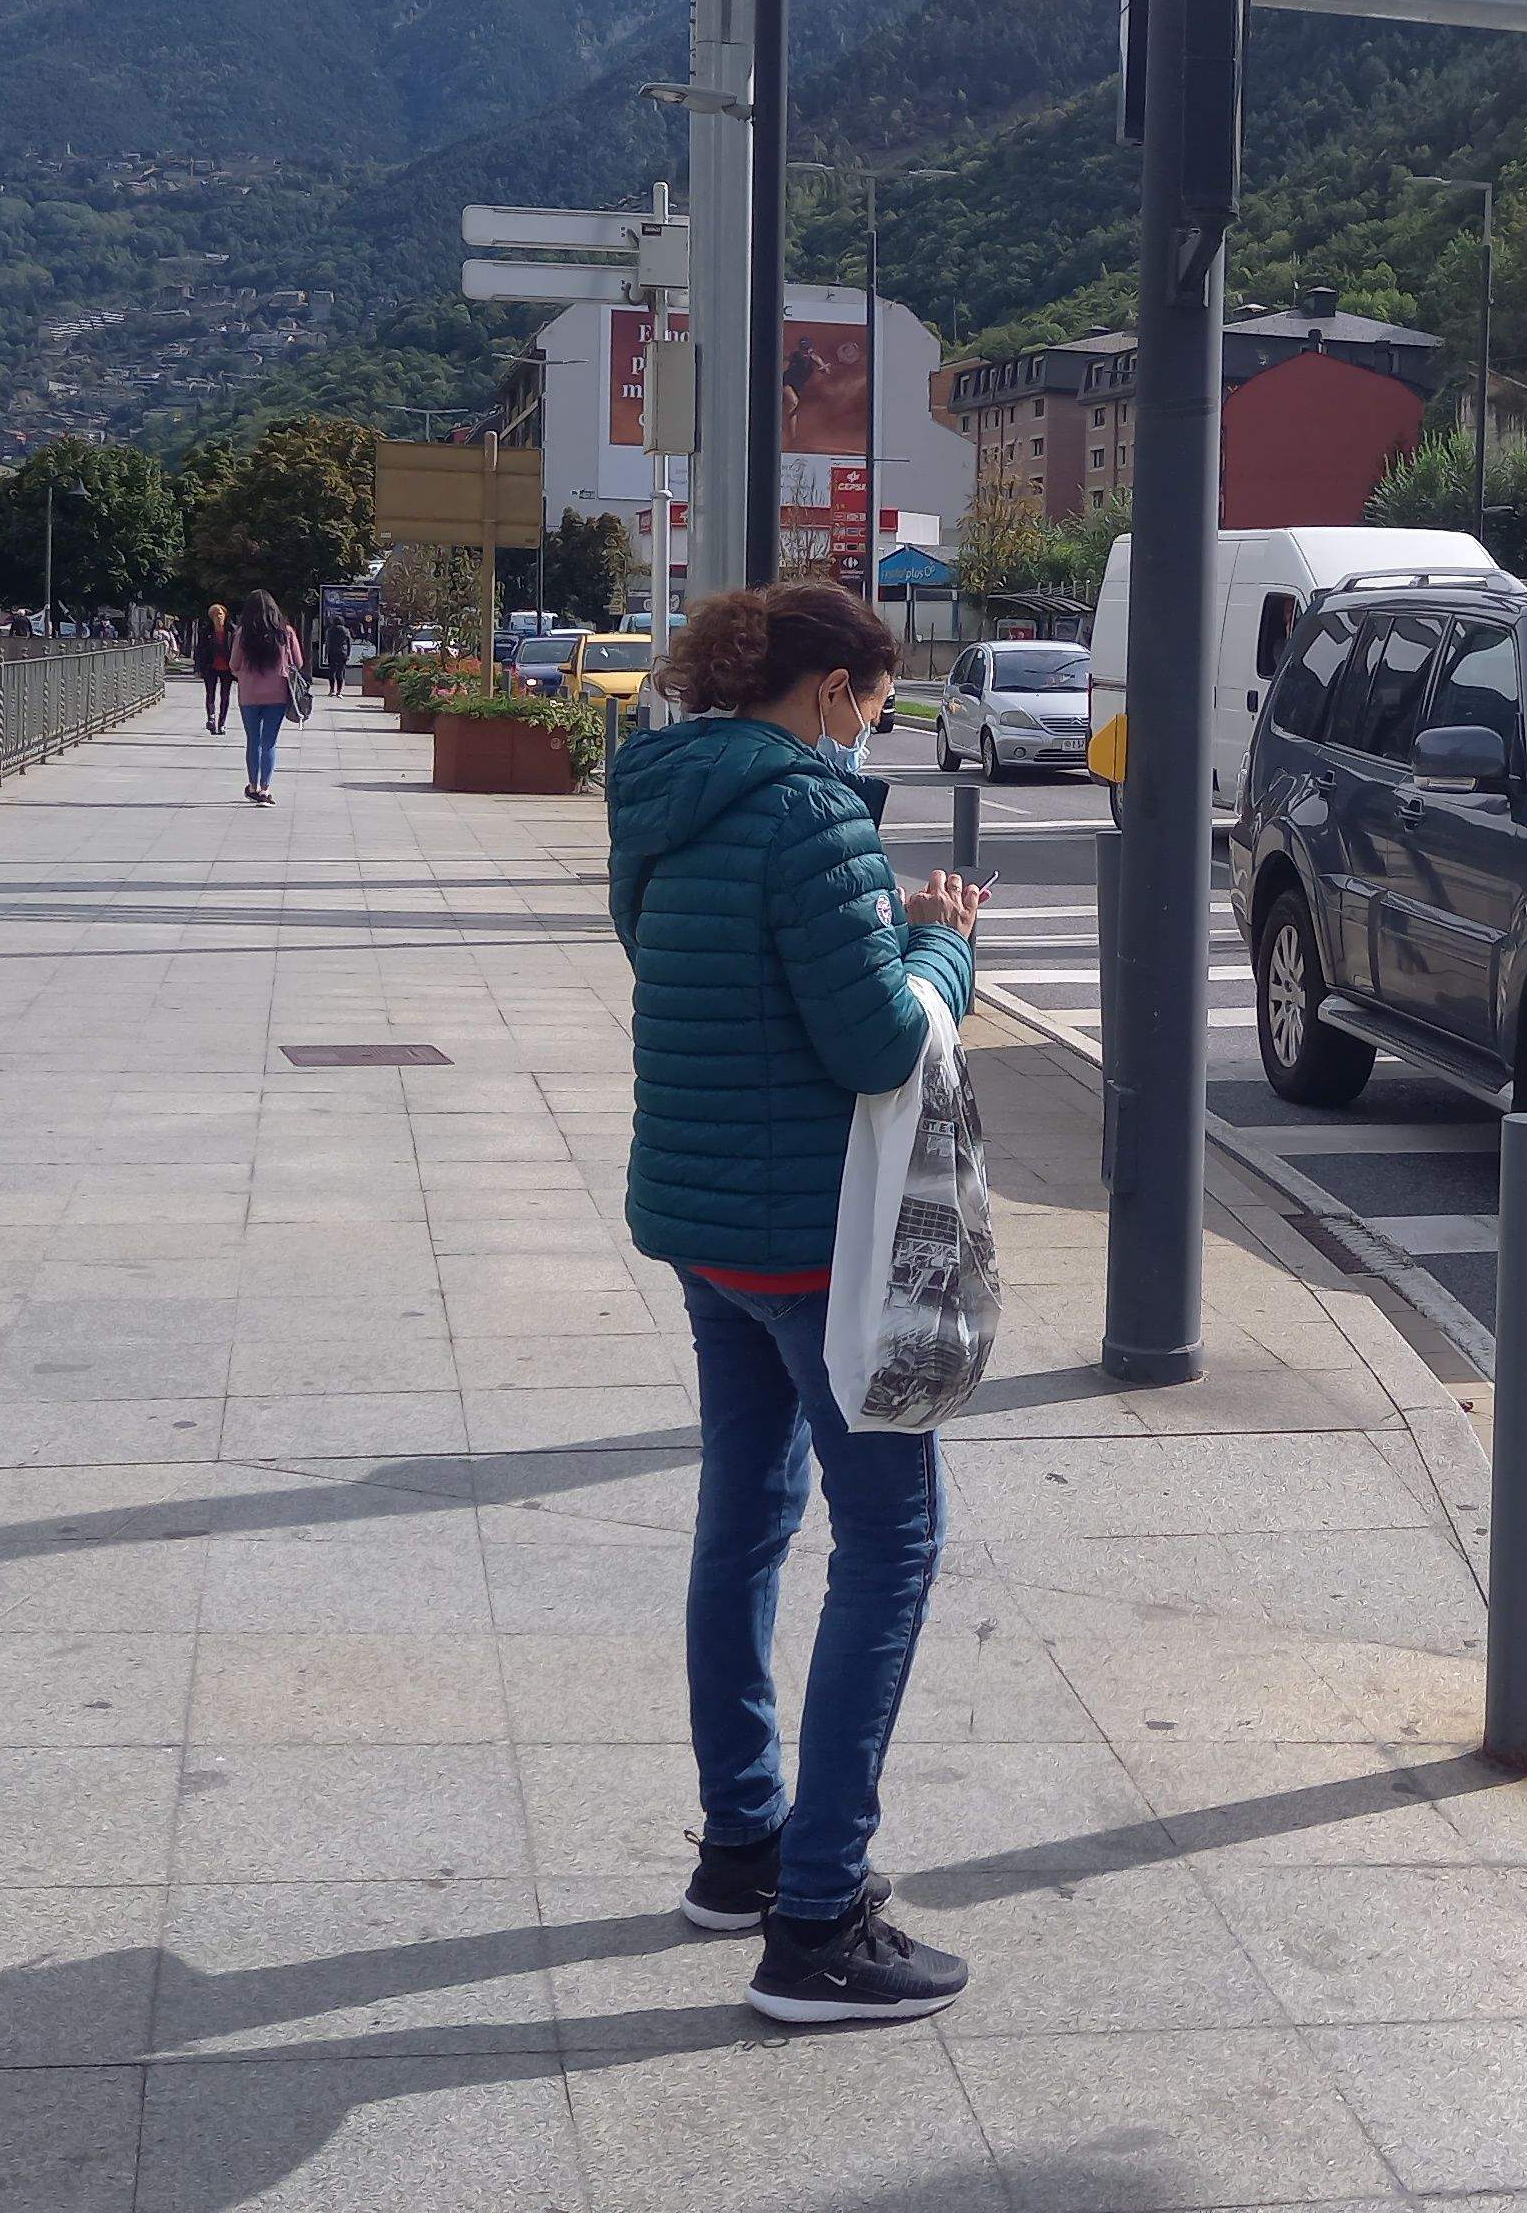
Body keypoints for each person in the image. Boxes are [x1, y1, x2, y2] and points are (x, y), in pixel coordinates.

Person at [605, 583, 984, 2024]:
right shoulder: (812, 815)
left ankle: (740, 1846)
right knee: (891, 1546)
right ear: (832, 691)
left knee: (744, 1527)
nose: (877, 725)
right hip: (815, 1244)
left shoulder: (661, 799)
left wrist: (874, 926)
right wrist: (944, 942)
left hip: (710, 1232)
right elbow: (880, 1041)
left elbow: (714, 983)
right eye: (877, 702)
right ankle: (818, 1921)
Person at [227, 589, 299, 805]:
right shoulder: (285, 633)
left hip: (249, 695)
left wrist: (244, 676)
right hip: (277, 694)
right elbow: (299, 662)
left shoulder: (243, 634)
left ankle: (252, 786)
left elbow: (233, 665)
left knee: (253, 740)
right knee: (269, 742)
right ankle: (266, 790)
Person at [193, 602, 236, 732]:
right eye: (215, 615)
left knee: (225, 695)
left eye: (220, 614)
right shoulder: (206, 632)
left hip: (227, 668)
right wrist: (198, 668)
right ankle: (211, 718)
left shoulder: (232, 630)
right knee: (210, 693)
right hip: (210, 666)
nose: (218, 617)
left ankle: (222, 722)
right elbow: (199, 650)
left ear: (225, 615)